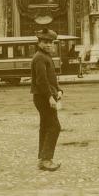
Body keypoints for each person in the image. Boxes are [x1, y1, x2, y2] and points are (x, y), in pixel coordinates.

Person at [31, 28, 63, 172]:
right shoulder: (40, 57)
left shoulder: (45, 56)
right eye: (45, 42)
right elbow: (41, 81)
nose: (49, 45)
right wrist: (50, 97)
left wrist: (59, 90)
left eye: (51, 42)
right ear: (39, 43)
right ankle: (46, 160)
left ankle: (42, 159)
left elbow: (51, 78)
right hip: (43, 97)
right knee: (54, 126)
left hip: (44, 96)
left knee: (45, 126)